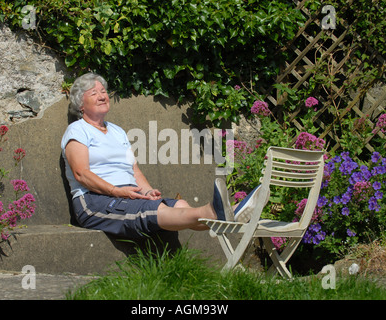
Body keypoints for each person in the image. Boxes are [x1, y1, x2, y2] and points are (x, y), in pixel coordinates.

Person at [61, 73, 254, 239]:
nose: (102, 96)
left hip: (128, 194)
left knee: (180, 204)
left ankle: (232, 214)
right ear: (80, 105)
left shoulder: (117, 131)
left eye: (103, 91)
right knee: (155, 211)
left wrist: (146, 192)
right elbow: (81, 174)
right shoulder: (77, 130)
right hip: (94, 200)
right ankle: (216, 211)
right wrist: (116, 191)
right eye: (94, 93)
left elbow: (134, 170)